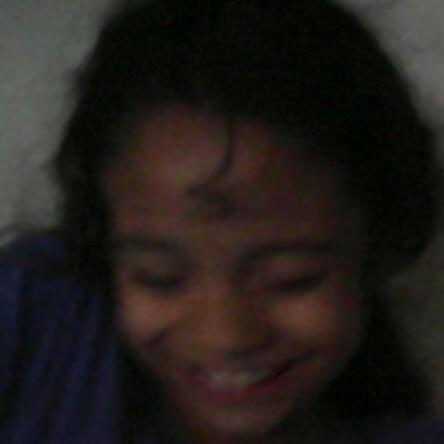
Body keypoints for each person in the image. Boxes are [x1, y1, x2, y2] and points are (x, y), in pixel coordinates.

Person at [0, 0, 443, 443]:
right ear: (103, 251)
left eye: (292, 280)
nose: (226, 336)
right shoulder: (39, 314)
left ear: (375, 251)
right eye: (158, 278)